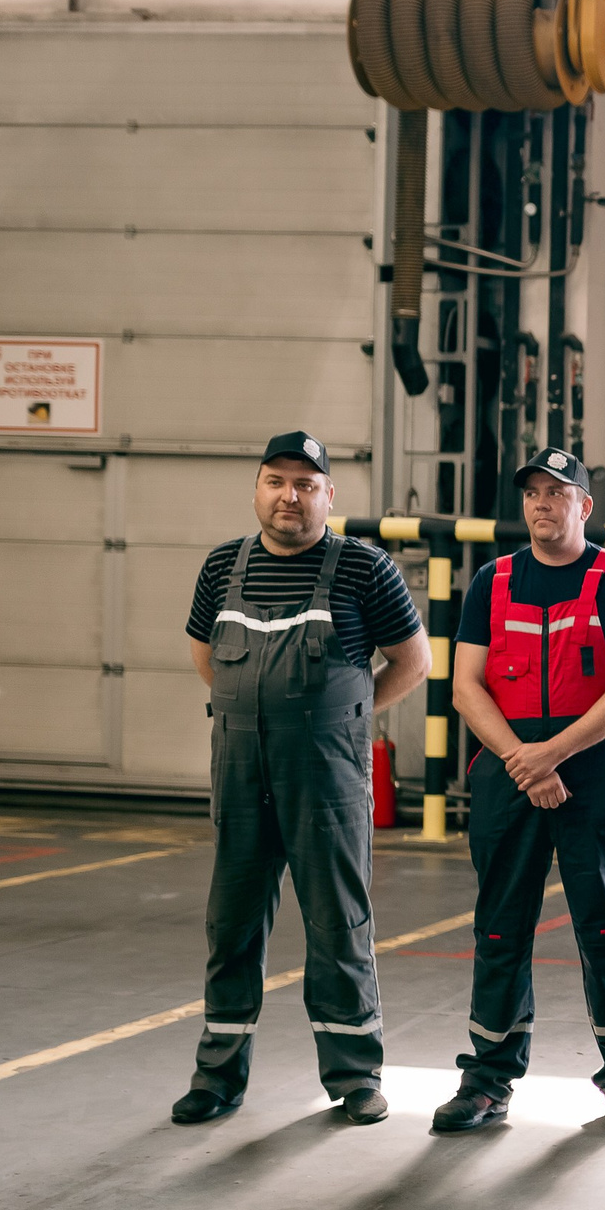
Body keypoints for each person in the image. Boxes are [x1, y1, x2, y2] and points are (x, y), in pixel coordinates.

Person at [173, 431, 429, 1126]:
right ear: (256, 488)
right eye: (277, 481)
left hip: (325, 773)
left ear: (328, 496)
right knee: (231, 924)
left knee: (336, 921)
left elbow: (413, 662)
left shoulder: (363, 569)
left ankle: (353, 1076)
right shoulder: (222, 567)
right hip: (239, 768)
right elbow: (205, 654)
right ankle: (217, 1076)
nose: (290, 496)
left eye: (306, 484)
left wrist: (343, 719)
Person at [437, 449, 605, 1135]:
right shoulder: (493, 579)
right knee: (500, 927)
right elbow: (465, 685)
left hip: (593, 774)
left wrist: (552, 756)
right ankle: (487, 1079)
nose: (542, 504)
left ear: (584, 507)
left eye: (557, 493)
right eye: (533, 493)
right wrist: (521, 761)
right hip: (508, 774)